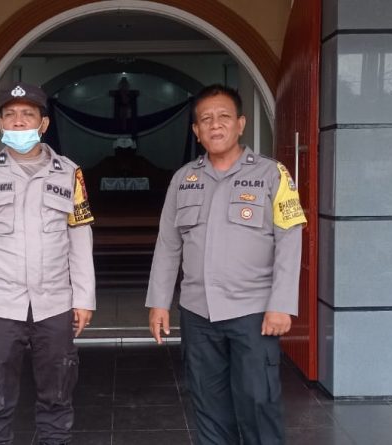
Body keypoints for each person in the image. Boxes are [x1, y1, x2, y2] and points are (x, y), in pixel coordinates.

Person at [146, 84, 307, 445]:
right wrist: (159, 302)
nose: (215, 125)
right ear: (196, 130)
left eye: (223, 117)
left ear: (240, 124)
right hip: (198, 313)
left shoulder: (273, 174)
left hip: (253, 313)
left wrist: (281, 304)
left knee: (258, 402)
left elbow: (289, 240)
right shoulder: (183, 179)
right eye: (206, 119)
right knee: (208, 406)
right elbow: (168, 244)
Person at [0, 82, 95, 445]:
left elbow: (80, 237)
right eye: (10, 115)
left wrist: (84, 298)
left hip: (55, 302)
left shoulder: (70, 173)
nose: (18, 122)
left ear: (43, 124)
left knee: (57, 394)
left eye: (27, 115)